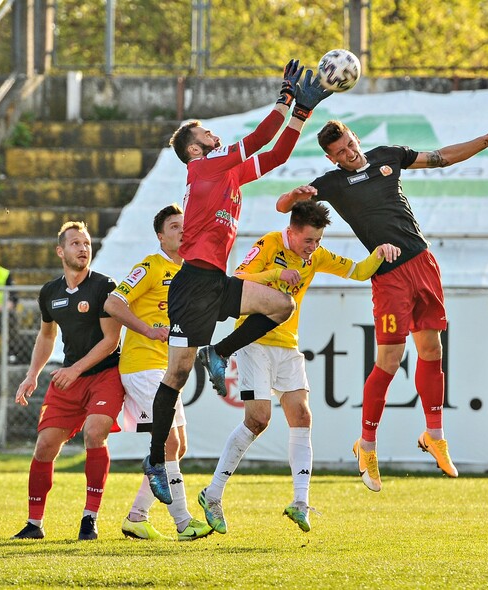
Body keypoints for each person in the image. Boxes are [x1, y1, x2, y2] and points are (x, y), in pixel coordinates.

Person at [277, 116, 488, 492]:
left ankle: (434, 435)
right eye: (340, 152)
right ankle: (367, 445)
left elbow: (443, 157)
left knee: (431, 348)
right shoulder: (331, 184)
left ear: (356, 138)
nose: (350, 152)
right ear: (331, 159)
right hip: (389, 274)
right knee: (389, 359)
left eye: (350, 144)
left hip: (422, 262)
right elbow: (282, 207)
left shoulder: (388, 157)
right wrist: (293, 196)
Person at [143, 59, 334, 504]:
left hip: (218, 282)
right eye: (206, 134)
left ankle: (221, 350)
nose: (214, 136)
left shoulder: (226, 172)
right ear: (195, 150)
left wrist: (301, 116)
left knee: (280, 306)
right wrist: (287, 99)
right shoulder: (204, 169)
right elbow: (260, 138)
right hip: (192, 284)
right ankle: (155, 458)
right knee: (177, 372)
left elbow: (276, 153)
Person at [199, 200, 400, 534]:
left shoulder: (316, 257)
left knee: (303, 416)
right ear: (291, 232)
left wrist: (380, 252)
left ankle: (300, 502)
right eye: (308, 240)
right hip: (255, 344)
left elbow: (359, 271)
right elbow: (238, 278)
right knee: (258, 420)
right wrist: (277, 273)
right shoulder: (269, 244)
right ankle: (213, 494)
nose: (314, 248)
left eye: (318, 240)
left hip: (287, 347)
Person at [104, 204, 213, 541]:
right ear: (160, 236)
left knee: (176, 446)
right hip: (143, 366)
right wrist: (146, 330)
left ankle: (137, 517)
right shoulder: (151, 266)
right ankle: (183, 523)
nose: (182, 231)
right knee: (168, 442)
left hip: (165, 369)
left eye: (185, 225)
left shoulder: (191, 272)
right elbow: (112, 303)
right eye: (174, 226)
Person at [12, 221, 124, 541]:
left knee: (94, 431)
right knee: (45, 445)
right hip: (69, 379)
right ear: (61, 251)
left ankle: (89, 519)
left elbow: (110, 342)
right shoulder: (50, 292)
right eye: (75, 243)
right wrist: (31, 376)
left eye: (86, 243)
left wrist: (74, 370)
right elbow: (47, 336)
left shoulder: (103, 286)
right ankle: (34, 524)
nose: (83, 248)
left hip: (104, 374)